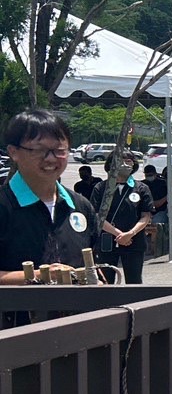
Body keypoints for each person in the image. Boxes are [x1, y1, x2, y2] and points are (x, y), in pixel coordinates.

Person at [0, 109, 101, 284]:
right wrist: (42, 275)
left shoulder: (81, 206)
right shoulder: (4, 205)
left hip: (80, 311)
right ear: (13, 152)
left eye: (59, 150)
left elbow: (92, 264)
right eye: (39, 150)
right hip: (17, 311)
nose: (51, 159)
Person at [92, 150, 150, 283]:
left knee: (134, 280)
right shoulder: (100, 188)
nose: (124, 165)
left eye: (128, 161)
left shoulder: (141, 188)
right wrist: (118, 233)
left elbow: (145, 215)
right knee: (106, 280)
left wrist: (130, 233)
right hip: (107, 240)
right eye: (120, 161)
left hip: (134, 240)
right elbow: (96, 215)